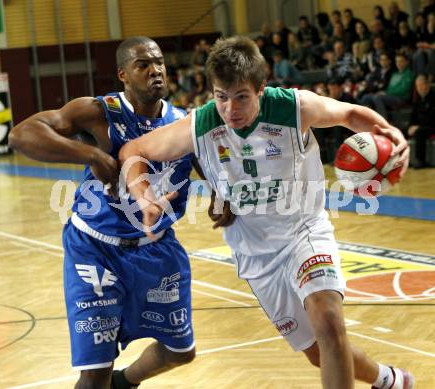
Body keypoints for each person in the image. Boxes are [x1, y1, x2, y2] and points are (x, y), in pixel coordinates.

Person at [119, 36, 414, 389]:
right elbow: (133, 150)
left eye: (241, 96)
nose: (230, 109)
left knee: (329, 322)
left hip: (305, 231)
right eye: (221, 96)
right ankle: (387, 379)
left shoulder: (294, 107)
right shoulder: (201, 124)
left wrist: (389, 131)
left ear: (261, 89)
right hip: (255, 252)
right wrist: (143, 194)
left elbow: (349, 114)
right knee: (318, 352)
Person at [8, 36, 233, 389]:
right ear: (123, 74)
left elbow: (204, 160)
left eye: (159, 62)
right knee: (95, 373)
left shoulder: (183, 122)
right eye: (142, 65)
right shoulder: (98, 112)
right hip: (95, 249)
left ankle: (126, 381)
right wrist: (92, 155)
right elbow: (22, 135)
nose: (155, 70)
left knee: (181, 350)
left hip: (155, 247)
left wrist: (220, 194)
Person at [407, 74, 435, 168]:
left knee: (420, 132)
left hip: (432, 125)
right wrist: (411, 126)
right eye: (417, 86)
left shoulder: (433, 97)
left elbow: (432, 117)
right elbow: (413, 115)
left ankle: (420, 160)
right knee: (402, 130)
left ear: (427, 85)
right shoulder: (418, 99)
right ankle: (404, 160)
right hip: (422, 126)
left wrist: (417, 127)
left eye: (421, 85)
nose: (419, 88)